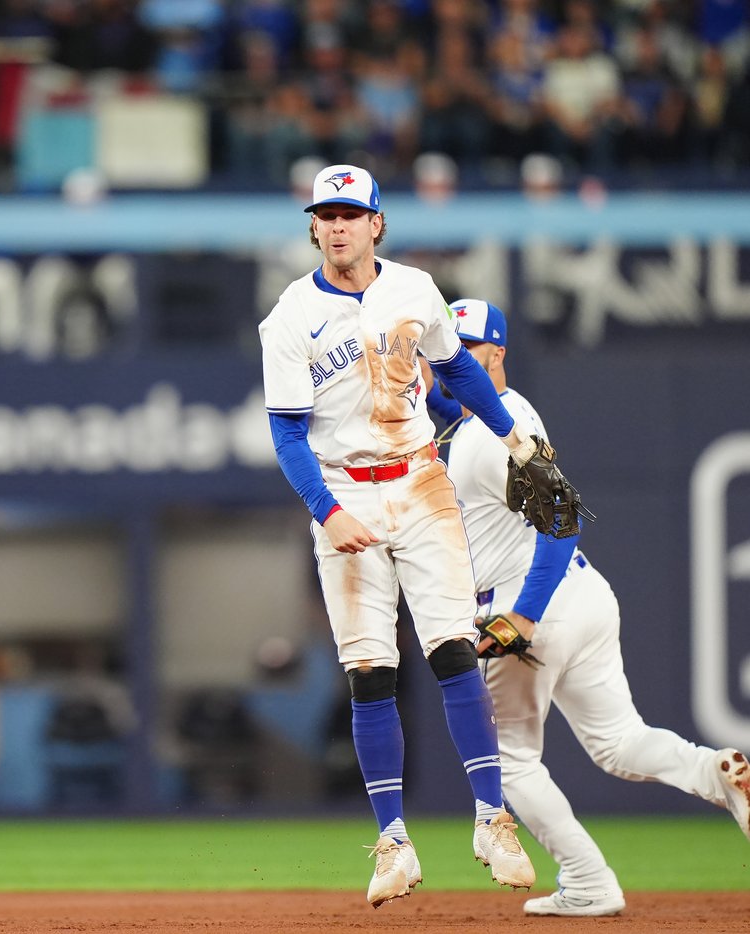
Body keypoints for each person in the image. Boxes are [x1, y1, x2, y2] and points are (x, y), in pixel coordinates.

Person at [257, 163, 542, 908]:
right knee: (369, 671)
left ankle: (491, 818)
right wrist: (327, 510)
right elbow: (287, 436)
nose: (340, 224)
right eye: (328, 213)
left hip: (418, 480)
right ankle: (393, 841)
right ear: (314, 225)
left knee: (454, 648)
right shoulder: (289, 317)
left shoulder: (415, 289)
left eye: (353, 212)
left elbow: (460, 374)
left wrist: (514, 438)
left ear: (377, 223)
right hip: (345, 488)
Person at [426, 298, 750, 917]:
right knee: (620, 743)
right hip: (586, 596)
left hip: (529, 605)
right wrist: (424, 384)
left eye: (468, 349)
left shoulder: (484, 441)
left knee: (510, 763)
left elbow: (562, 523)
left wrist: (523, 615)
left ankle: (589, 881)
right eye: (450, 351)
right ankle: (716, 773)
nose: (455, 362)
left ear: (497, 352)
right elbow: (456, 413)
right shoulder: (507, 413)